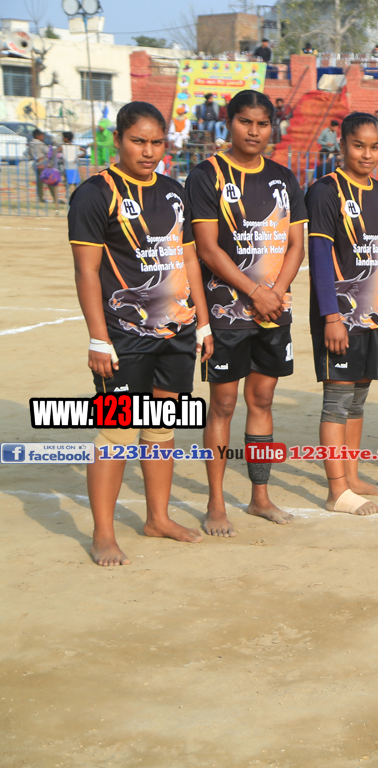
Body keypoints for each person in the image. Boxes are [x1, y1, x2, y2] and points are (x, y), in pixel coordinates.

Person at [68, 101, 214, 566]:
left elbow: (188, 259)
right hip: (123, 336)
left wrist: (202, 322)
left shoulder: (174, 191)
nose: (149, 151)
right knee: (115, 433)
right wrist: (98, 337)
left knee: (161, 425)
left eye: (156, 142)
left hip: (175, 331)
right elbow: (86, 272)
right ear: (118, 140)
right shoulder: (95, 194)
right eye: (138, 141)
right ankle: (103, 534)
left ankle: (157, 518)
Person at [187, 90, 308, 537]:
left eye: (262, 123)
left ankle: (260, 497)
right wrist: (255, 291)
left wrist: (274, 294)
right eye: (245, 122)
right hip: (226, 314)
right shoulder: (207, 175)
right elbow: (207, 248)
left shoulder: (283, 177)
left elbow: (295, 245)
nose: (254, 131)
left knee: (263, 401)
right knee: (222, 404)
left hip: (273, 311)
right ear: (229, 123)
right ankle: (216, 503)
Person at [305, 112, 378, 516]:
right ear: (342, 146)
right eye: (358, 146)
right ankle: (337, 490)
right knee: (337, 401)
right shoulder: (325, 191)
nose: (367, 154)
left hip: (374, 314)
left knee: (358, 399)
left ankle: (352, 476)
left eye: (375, 147)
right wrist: (331, 317)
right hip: (339, 316)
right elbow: (320, 255)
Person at [26, 129, 58, 204]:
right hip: (44, 164)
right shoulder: (40, 144)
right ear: (38, 136)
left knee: (39, 183)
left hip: (37, 164)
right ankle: (55, 198)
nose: (43, 137)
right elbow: (49, 151)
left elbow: (27, 154)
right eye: (42, 136)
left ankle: (40, 197)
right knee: (50, 181)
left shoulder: (31, 143)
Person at [60, 131, 80, 196]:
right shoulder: (75, 146)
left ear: (66, 138)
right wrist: (77, 157)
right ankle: (77, 194)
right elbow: (84, 151)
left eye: (63, 137)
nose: (62, 138)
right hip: (74, 165)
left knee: (67, 181)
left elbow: (56, 150)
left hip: (67, 166)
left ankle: (68, 194)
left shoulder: (63, 146)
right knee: (75, 181)